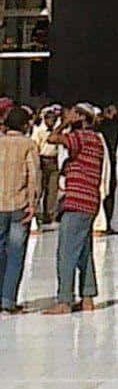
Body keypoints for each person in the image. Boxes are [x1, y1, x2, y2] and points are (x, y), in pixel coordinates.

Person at [44, 104, 106, 314]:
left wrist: (65, 123)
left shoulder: (80, 137)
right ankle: (87, 296)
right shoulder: (97, 140)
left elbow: (51, 138)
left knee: (67, 251)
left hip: (77, 201)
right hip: (90, 201)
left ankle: (64, 300)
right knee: (84, 252)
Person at [0, 105, 40, 314]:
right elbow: (33, 176)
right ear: (25, 125)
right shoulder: (28, 145)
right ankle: (7, 300)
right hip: (19, 204)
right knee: (16, 253)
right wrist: (33, 204)